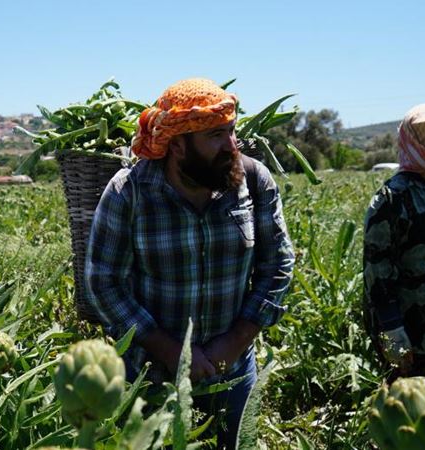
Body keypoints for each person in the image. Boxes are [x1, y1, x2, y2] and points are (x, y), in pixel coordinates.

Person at [85, 78, 295, 448]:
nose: (232, 146)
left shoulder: (254, 181)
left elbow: (277, 265)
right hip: (150, 373)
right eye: (216, 136)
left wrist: (233, 342)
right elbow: (104, 282)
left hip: (232, 368)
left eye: (232, 131)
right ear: (178, 146)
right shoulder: (129, 191)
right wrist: (171, 351)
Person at [363, 103, 425, 380]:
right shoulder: (394, 198)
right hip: (422, 346)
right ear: (413, 141)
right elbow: (377, 274)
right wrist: (393, 336)